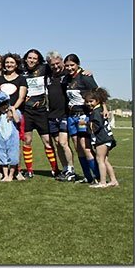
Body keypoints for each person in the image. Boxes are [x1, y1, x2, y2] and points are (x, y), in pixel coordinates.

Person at [22, 49, 60, 178]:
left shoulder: (44, 68)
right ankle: (29, 170)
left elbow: (59, 67)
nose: (32, 60)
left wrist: (83, 71)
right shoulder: (21, 71)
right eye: (30, 58)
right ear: (26, 58)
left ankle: (55, 169)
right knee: (27, 140)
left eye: (34, 58)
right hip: (26, 111)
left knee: (47, 142)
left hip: (41, 111)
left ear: (38, 60)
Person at [64, 53, 100, 184]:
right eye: (67, 66)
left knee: (86, 147)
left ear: (77, 64)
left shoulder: (85, 77)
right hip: (71, 117)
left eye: (72, 65)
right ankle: (87, 177)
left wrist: (104, 108)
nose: (69, 68)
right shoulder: (66, 78)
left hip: (83, 117)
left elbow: (97, 93)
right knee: (78, 148)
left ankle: (97, 176)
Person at [0, 53, 27, 180]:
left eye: (12, 62)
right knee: (0, 143)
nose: (9, 65)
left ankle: (16, 171)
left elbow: (21, 97)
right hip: (1, 114)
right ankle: (1, 171)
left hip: (14, 114)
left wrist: (13, 109)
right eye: (7, 62)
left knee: (14, 144)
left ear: (16, 64)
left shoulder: (21, 79)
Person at [46, 51, 77, 181]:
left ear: (62, 62)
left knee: (64, 143)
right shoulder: (47, 75)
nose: (56, 66)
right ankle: (64, 169)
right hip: (52, 115)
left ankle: (71, 169)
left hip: (65, 113)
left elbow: (78, 73)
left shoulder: (68, 74)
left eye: (58, 63)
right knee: (57, 143)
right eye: (52, 64)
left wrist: (87, 71)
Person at [85, 88, 118, 188]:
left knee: (100, 159)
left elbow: (96, 126)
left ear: (97, 101)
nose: (88, 104)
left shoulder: (96, 112)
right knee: (105, 160)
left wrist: (85, 124)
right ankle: (113, 181)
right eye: (87, 102)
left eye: (91, 101)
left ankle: (102, 182)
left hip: (102, 139)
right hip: (107, 138)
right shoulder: (99, 110)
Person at [0, 91, 23, 182]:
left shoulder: (14, 112)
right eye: (1, 105)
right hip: (1, 139)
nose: (4, 107)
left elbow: (17, 120)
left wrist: (13, 110)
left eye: (5, 104)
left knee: (13, 157)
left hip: (12, 138)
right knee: (2, 156)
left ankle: (11, 175)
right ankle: (5, 175)